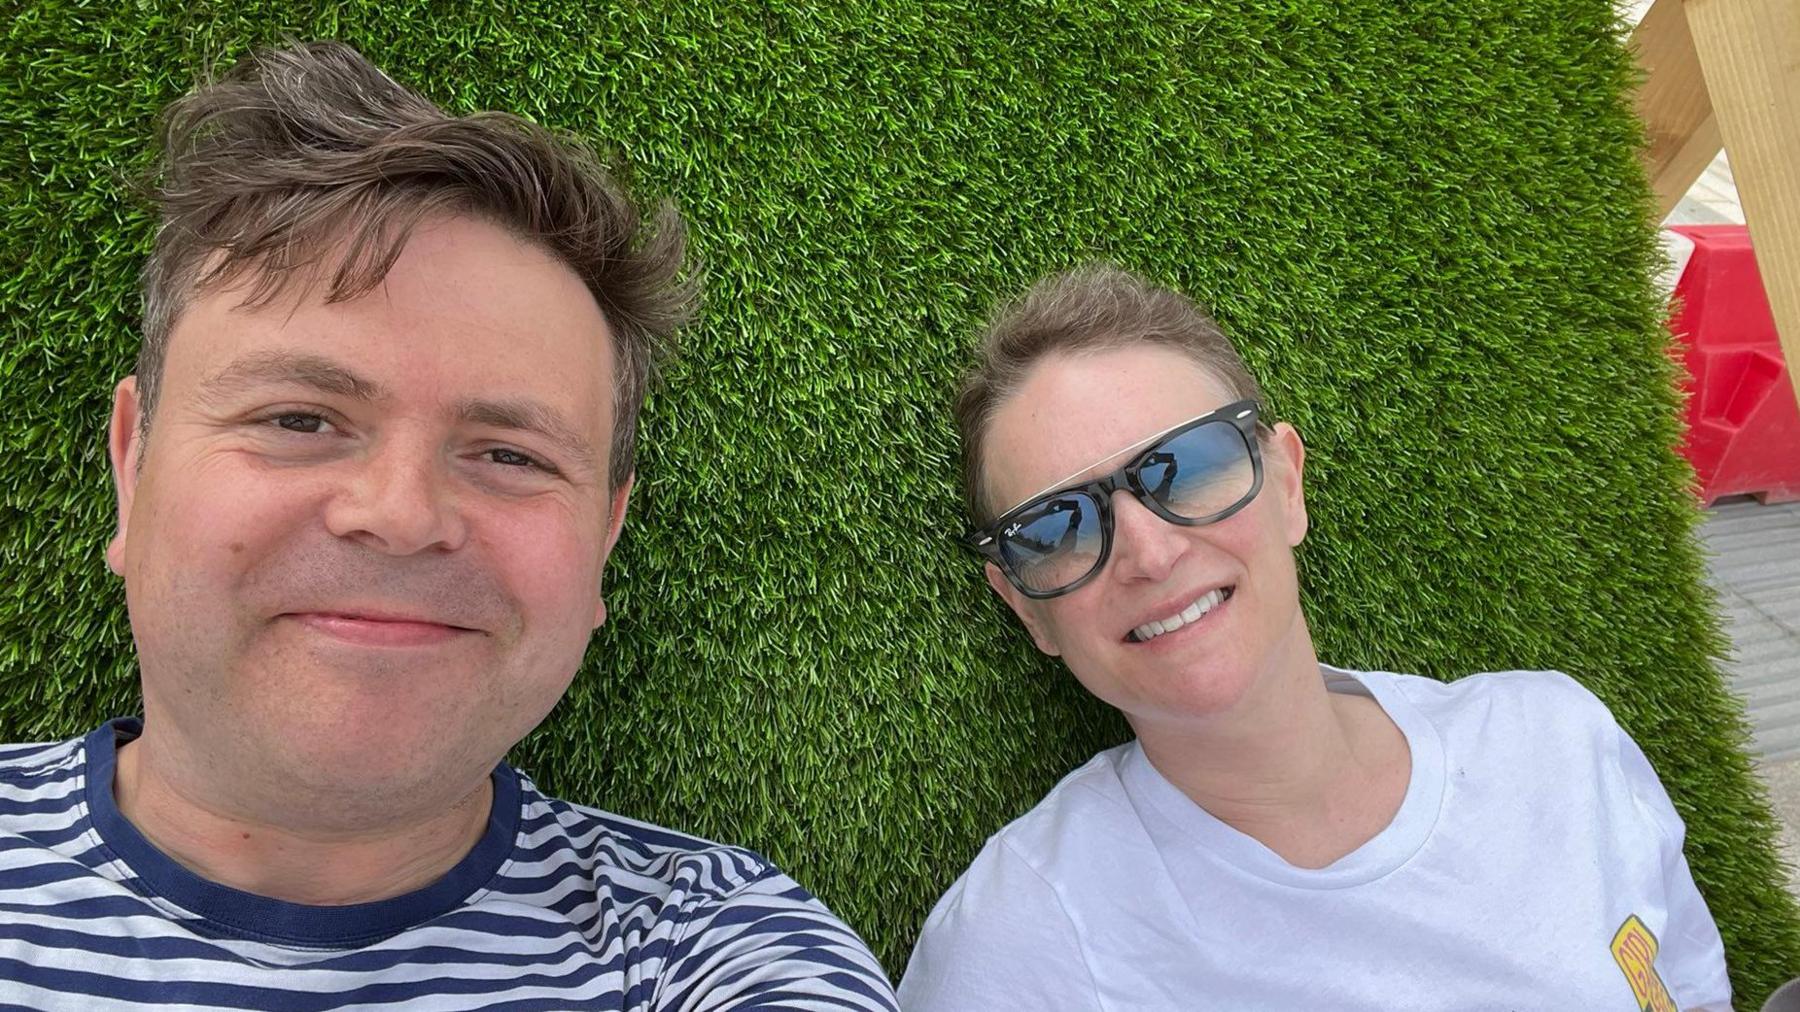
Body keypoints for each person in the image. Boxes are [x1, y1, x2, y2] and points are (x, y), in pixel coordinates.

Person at [0, 41, 898, 1011]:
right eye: (298, 419)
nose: (399, 514)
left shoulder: (720, 950)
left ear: (604, 539)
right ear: (131, 467)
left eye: (511, 454)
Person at [898, 265, 1730, 1010]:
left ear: (1286, 483)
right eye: (1057, 525)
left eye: (1185, 465)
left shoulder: (1555, 739)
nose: (1149, 553)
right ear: (1026, 607)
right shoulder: (1022, 942)